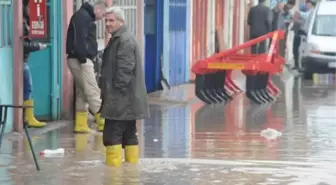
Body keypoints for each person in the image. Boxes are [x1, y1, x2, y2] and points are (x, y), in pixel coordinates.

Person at [100, 7, 149, 167]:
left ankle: (113, 176)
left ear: (121, 21)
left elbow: (125, 70)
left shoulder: (124, 40)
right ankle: (130, 172)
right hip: (127, 100)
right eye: (106, 21)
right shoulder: (119, 39)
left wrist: (113, 96)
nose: (108, 24)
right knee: (129, 134)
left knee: (112, 135)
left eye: (111, 20)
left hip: (121, 100)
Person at [66, 1, 107, 133]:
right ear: (98, 9)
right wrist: (84, 58)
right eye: (104, 14)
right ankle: (104, 121)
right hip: (81, 60)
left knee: (82, 91)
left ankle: (81, 123)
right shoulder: (83, 17)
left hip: (78, 59)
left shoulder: (84, 17)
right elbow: (80, 40)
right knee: (92, 89)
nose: (103, 18)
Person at [22, 0, 48, 128]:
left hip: (23, 59)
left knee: (27, 88)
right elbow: (22, 44)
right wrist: (37, 46)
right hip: (21, 60)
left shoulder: (24, 19)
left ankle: (28, 117)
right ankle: (28, 117)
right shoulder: (21, 21)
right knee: (27, 87)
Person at [292, 0, 316, 71]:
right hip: (298, 32)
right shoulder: (306, 10)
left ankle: (301, 66)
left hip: (304, 34)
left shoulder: (312, 12)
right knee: (295, 49)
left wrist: (297, 15)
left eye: (308, 4)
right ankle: (297, 65)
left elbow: (304, 16)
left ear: (311, 5)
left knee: (301, 51)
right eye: (306, 4)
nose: (307, 6)